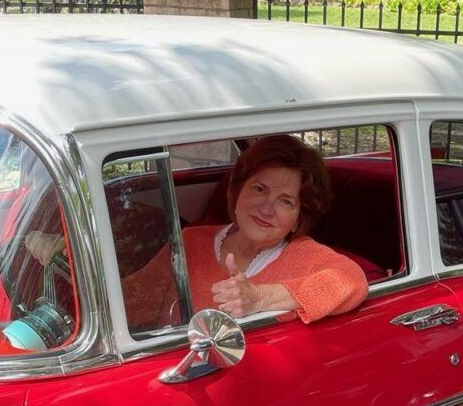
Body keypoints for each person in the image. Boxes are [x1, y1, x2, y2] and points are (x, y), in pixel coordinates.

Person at [121, 135, 370, 328]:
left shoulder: (304, 255)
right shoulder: (192, 240)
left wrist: (260, 298)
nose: (267, 208)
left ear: (297, 219)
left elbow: (353, 280)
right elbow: (137, 298)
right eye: (260, 189)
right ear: (238, 191)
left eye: (286, 201)